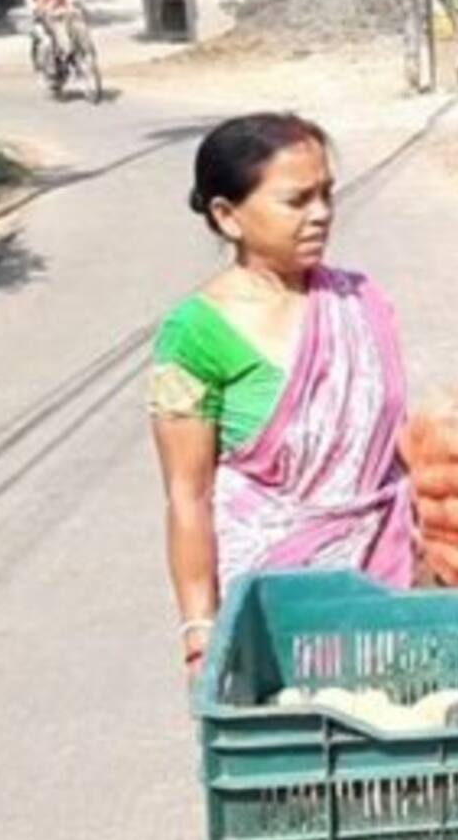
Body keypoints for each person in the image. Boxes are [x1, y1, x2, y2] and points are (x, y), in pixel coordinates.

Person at [149, 115, 416, 679]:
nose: (321, 214)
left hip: (389, 581)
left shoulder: (360, 300)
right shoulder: (193, 334)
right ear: (227, 216)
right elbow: (187, 495)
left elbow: (398, 446)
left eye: (326, 195)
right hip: (276, 612)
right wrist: (200, 634)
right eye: (297, 200)